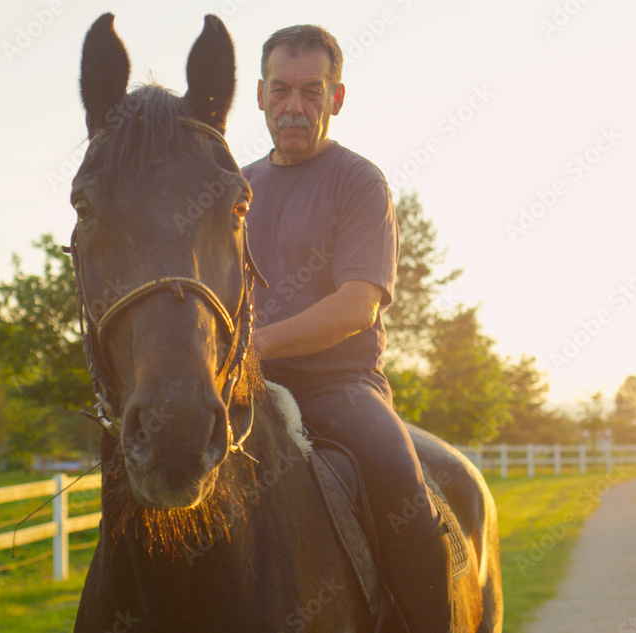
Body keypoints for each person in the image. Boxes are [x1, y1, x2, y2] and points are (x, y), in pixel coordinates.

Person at [241, 24, 453, 632]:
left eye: (312, 92)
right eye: (281, 90)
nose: (294, 108)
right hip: (241, 386)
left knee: (399, 475)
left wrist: (253, 346)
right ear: (259, 94)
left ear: (336, 98)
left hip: (339, 387)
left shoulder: (360, 182)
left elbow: (357, 304)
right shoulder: (236, 189)